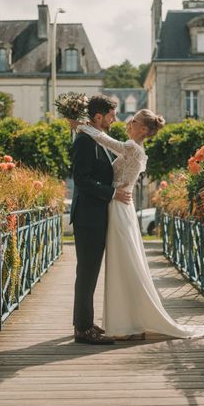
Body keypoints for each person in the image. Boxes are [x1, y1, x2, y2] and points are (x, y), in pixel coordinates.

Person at [71, 109, 204, 340]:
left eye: (135, 120)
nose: (129, 121)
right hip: (119, 205)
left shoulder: (132, 147)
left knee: (123, 263)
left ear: (144, 129)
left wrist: (80, 125)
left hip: (118, 207)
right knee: (124, 263)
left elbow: (102, 139)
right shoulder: (136, 149)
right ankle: (129, 321)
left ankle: (128, 323)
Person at [70, 95, 131, 345]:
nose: (114, 119)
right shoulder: (85, 141)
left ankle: (84, 322)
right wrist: (112, 193)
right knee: (87, 272)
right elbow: (82, 179)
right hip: (87, 217)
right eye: (111, 115)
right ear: (98, 117)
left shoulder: (97, 139)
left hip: (95, 215)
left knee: (89, 272)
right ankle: (83, 329)